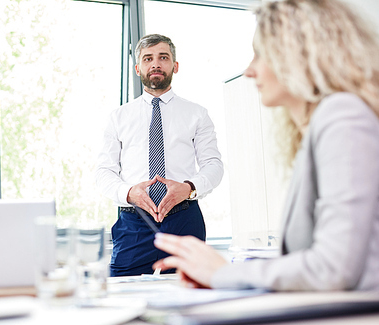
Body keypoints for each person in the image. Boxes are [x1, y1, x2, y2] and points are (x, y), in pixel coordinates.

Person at [153, 0, 379, 291]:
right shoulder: (321, 125)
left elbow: (333, 268)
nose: (249, 71)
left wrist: (222, 273)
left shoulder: (342, 114)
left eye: (260, 56)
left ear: (298, 56)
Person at [96, 34, 224, 276]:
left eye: (163, 57)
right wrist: (130, 192)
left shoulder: (197, 114)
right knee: (124, 295)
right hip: (134, 222)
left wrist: (188, 188)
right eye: (148, 58)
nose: (155, 64)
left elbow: (214, 165)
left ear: (175, 66)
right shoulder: (118, 117)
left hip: (184, 219)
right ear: (138, 68)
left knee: (191, 297)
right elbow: (104, 173)